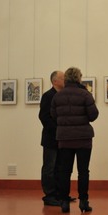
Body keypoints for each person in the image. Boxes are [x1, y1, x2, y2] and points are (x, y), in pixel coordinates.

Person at [51, 67, 99, 213]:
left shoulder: (57, 96)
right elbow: (93, 115)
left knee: (65, 171)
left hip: (65, 139)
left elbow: (54, 115)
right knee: (83, 171)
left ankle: (64, 202)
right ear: (79, 78)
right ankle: (83, 201)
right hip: (83, 139)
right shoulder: (85, 94)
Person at [38, 70, 65, 206]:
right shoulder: (48, 96)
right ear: (55, 81)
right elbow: (43, 117)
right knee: (49, 167)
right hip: (51, 138)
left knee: (60, 166)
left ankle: (59, 194)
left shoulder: (63, 95)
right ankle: (49, 195)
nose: (65, 80)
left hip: (61, 138)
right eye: (63, 78)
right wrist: (57, 129)